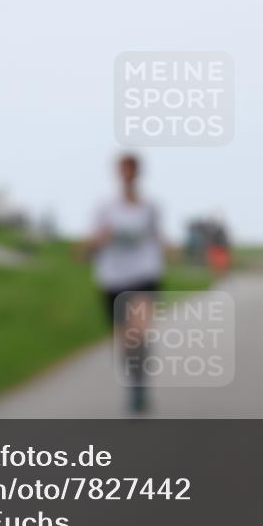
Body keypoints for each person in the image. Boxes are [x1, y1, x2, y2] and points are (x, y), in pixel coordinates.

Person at [83, 153, 165, 414]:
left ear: (138, 173)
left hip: (144, 275)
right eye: (123, 170)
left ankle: (140, 388)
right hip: (113, 278)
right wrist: (100, 240)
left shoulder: (150, 206)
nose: (128, 175)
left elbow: (157, 237)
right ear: (118, 174)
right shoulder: (105, 207)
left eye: (132, 170)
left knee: (138, 332)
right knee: (124, 340)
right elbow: (88, 247)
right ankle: (133, 382)